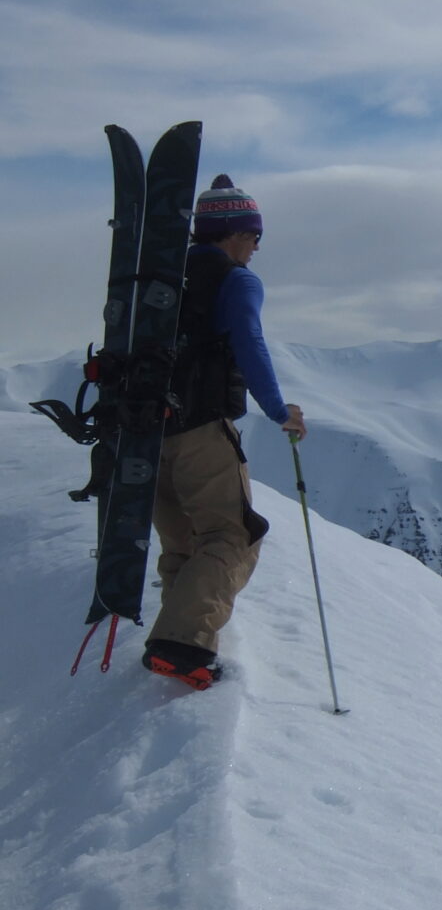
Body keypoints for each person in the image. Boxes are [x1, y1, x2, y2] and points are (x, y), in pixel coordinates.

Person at [141, 175, 306, 689]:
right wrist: (282, 411)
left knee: (183, 541)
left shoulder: (163, 277)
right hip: (200, 428)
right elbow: (249, 345)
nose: (257, 249)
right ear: (235, 232)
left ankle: (178, 640)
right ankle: (182, 644)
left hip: (142, 432)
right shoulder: (235, 280)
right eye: (255, 237)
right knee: (234, 534)